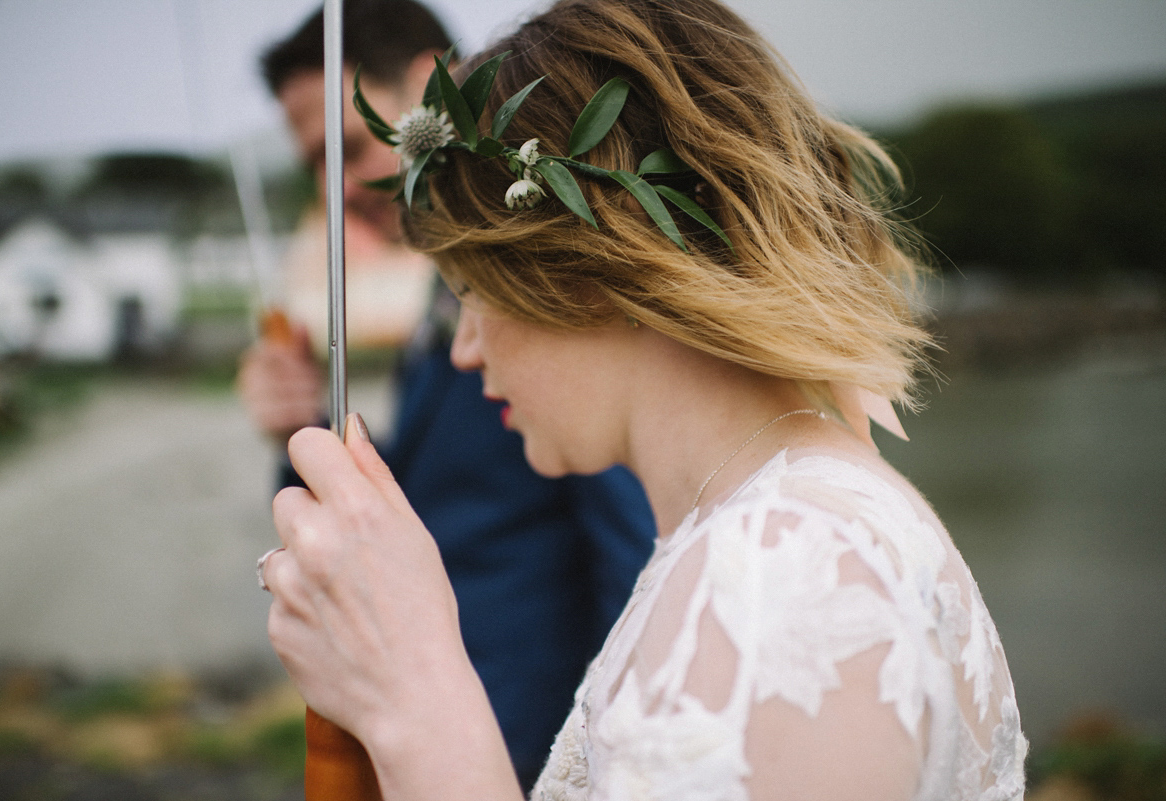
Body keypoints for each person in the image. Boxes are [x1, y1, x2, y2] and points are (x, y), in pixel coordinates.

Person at [259, 0, 1029, 798]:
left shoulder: (782, 575)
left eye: (474, 285)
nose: (464, 345)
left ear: (587, 264)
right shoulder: (751, 537)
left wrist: (415, 696)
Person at [236, 0, 656, 790]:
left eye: (348, 146)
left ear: (431, 86)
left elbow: (636, 559)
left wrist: (609, 770)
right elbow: (428, 507)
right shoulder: (449, 284)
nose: (334, 191)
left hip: (534, 755)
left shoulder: (542, 278)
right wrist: (302, 432)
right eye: (313, 167)